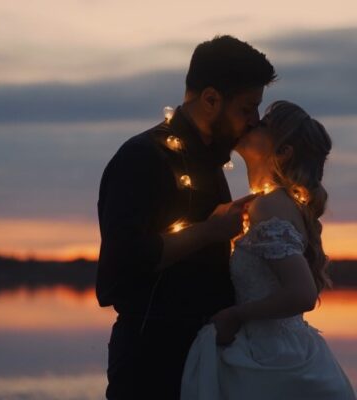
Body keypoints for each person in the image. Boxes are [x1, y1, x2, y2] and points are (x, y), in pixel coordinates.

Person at [96, 35, 277, 400]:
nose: (255, 121)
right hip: (152, 360)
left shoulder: (212, 162)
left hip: (205, 356)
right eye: (247, 108)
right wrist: (209, 231)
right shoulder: (142, 158)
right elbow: (121, 265)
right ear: (211, 99)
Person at [181, 101, 356, 399]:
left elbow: (302, 294)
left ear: (283, 151)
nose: (251, 123)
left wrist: (235, 315)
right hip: (280, 350)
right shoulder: (277, 203)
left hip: (270, 360)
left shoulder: (270, 205)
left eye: (262, 125)